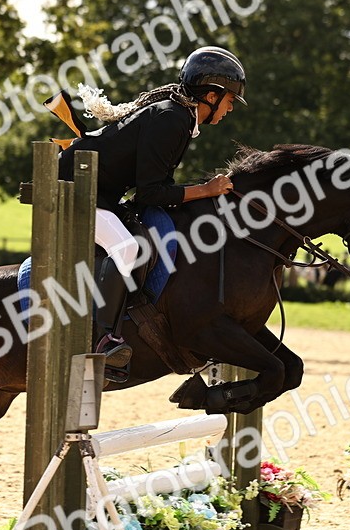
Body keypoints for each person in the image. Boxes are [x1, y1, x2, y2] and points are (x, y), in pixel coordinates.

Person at [54, 46, 246, 380]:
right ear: (212, 96)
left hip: (100, 194)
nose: (230, 109)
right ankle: (105, 340)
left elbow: (155, 187)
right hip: (74, 191)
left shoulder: (180, 119)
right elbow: (152, 192)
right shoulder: (172, 120)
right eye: (230, 100)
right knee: (127, 248)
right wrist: (207, 190)